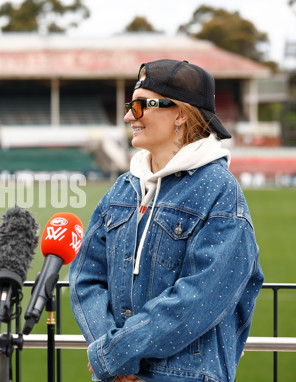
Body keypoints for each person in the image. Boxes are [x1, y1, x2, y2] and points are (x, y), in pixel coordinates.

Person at [69, 59, 264, 382]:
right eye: (130, 105)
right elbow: (84, 278)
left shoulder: (220, 192)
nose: (128, 116)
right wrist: (113, 357)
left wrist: (118, 353)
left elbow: (201, 297)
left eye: (141, 105)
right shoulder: (122, 189)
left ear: (181, 114)